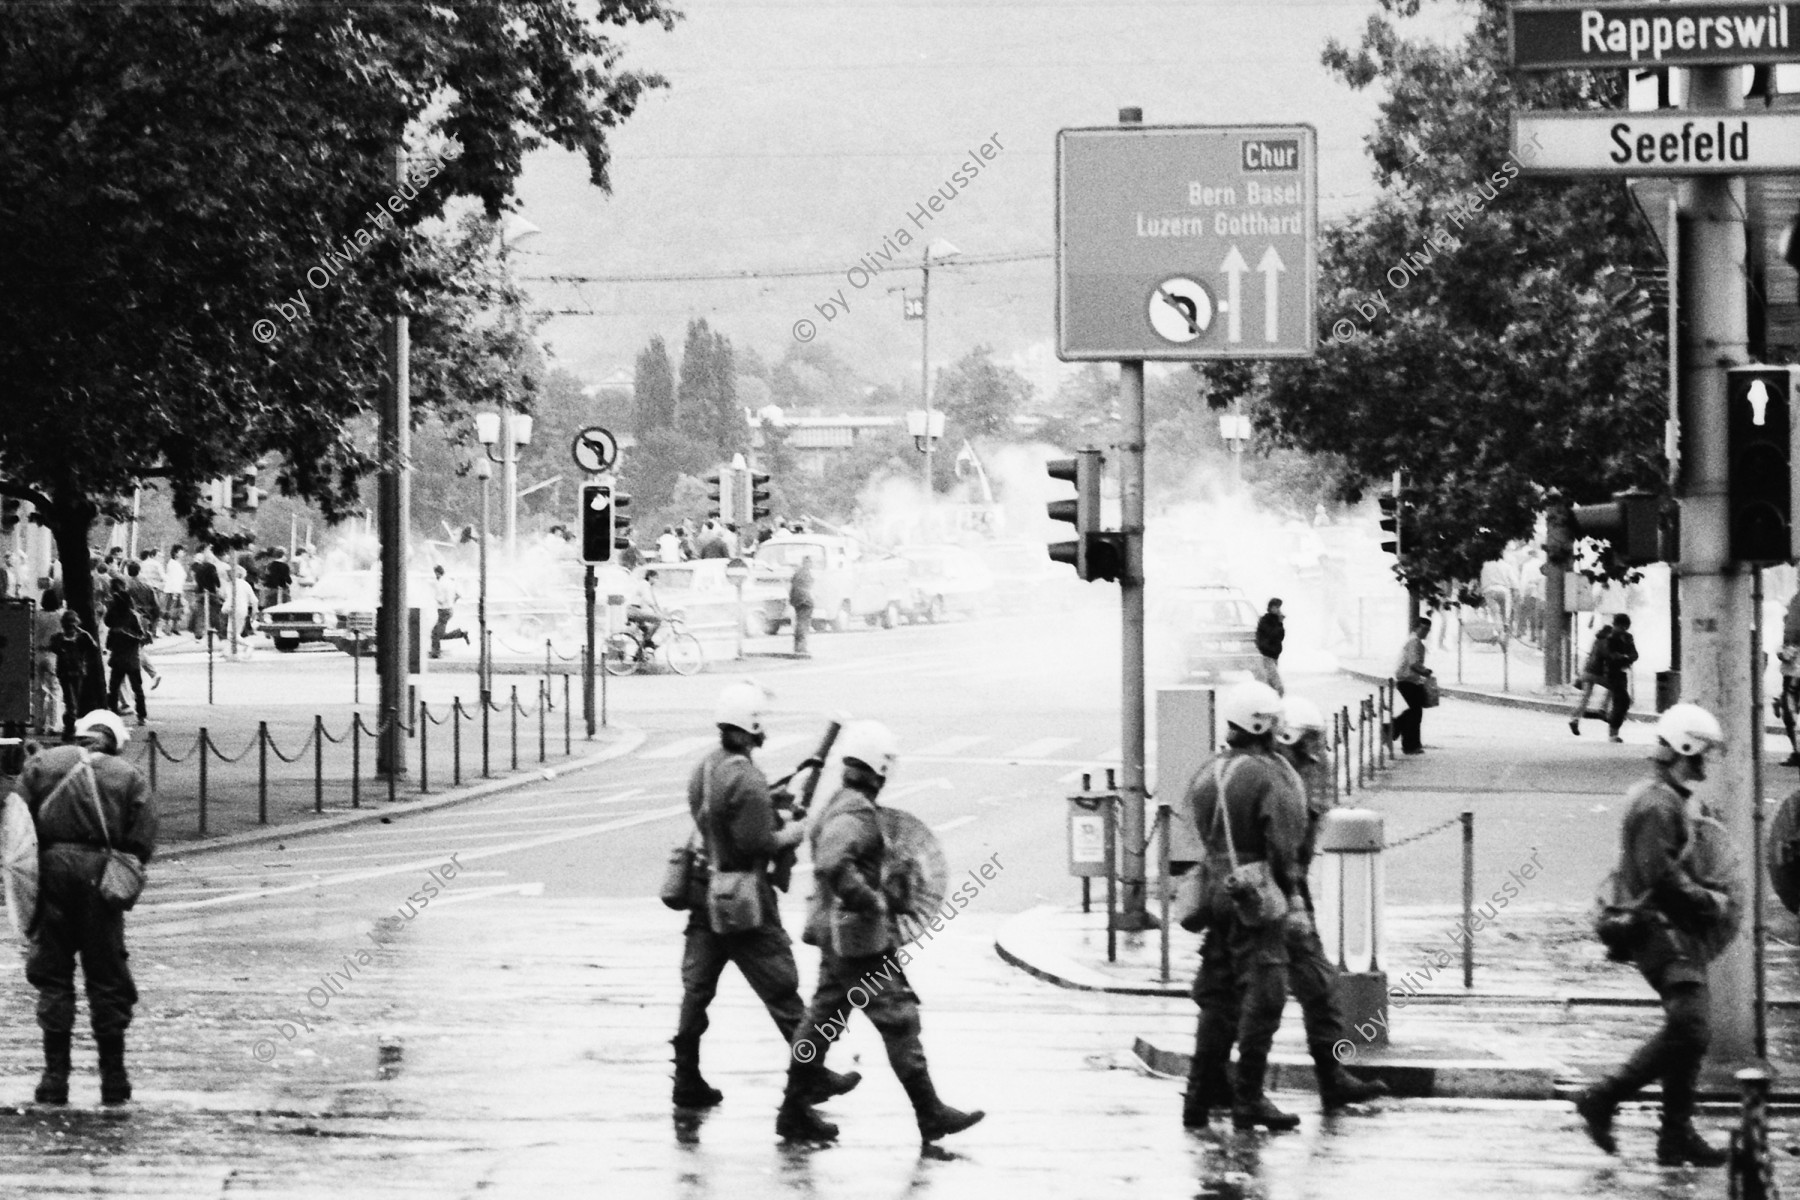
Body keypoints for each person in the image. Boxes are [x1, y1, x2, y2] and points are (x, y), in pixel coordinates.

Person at [778, 721, 985, 1145]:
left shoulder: (840, 802)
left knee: (819, 1025)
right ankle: (929, 1113)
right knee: (899, 1018)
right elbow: (834, 863)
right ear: (881, 768)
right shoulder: (856, 812)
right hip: (858, 941)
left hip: (838, 937)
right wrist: (871, 900)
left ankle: (792, 1111)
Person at [671, 682, 859, 1111]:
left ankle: (686, 1079)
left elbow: (716, 817)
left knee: (697, 991)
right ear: (751, 728)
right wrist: (791, 831)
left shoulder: (705, 768)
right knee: (783, 992)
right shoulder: (748, 778)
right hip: (744, 903)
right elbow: (759, 841)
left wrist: (766, 802)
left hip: (705, 891)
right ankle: (810, 1075)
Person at [1575, 704, 1733, 1168]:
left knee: (1691, 1031)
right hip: (1658, 931)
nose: (1705, 763)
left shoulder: (1667, 798)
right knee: (1691, 1026)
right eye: (1702, 753)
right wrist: (1711, 903)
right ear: (1686, 748)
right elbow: (1660, 877)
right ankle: (1604, 1099)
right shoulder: (1657, 804)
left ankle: (1675, 1137)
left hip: (1672, 930)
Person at [1180, 680, 1307, 1131]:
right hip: (1254, 892)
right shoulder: (1268, 773)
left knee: (1217, 996)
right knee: (1265, 994)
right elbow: (1284, 841)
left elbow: (1195, 830)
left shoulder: (1207, 771)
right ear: (1262, 724)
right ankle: (1249, 1098)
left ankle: (1197, 1100)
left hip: (1214, 889)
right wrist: (1292, 896)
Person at [21, 709, 158, 1106]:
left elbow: (16, 821)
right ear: (114, 741)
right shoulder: (127, 775)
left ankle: (54, 1078)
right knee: (107, 974)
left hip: (48, 875)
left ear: (80, 734)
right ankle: (113, 1077)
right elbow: (141, 839)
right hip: (101, 879)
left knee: (52, 973)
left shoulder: (45, 763)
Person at [1261, 696, 1389, 1112]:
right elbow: (1277, 848)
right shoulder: (1269, 776)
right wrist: (1293, 901)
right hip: (1267, 895)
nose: (1317, 750)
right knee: (1257, 998)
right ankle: (1232, 1090)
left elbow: (1308, 832)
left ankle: (1331, 1077)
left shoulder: (1301, 774)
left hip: (1290, 893)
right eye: (1310, 740)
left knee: (1317, 985)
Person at [103, 581, 149, 727]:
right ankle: (139, 714)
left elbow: (140, 636)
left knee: (117, 687)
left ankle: (116, 713)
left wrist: (122, 634)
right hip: (128, 657)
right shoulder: (128, 616)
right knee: (132, 687)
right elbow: (140, 637)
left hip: (122, 656)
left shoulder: (123, 617)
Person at [49, 611, 97, 743]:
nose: (70, 627)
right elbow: (54, 647)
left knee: (73, 702)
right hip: (65, 673)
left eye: (73, 623)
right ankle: (69, 730)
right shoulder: (59, 638)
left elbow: (93, 646)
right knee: (71, 704)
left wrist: (80, 630)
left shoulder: (81, 637)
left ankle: (69, 728)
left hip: (77, 673)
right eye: (68, 623)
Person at [1567, 618, 1616, 737]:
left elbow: (1590, 658)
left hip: (1587, 673)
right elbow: (1608, 658)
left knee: (1585, 698)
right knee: (1614, 687)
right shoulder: (1607, 642)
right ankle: (1603, 709)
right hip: (1597, 674)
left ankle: (1574, 719)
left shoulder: (1596, 641)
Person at [1392, 617, 1433, 755]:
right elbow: (1414, 663)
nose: (1426, 632)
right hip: (1408, 681)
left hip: (1410, 681)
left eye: (1428, 629)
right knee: (1414, 714)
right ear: (1416, 628)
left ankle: (1394, 731)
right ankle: (1409, 744)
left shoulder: (1414, 642)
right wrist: (1425, 672)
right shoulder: (1414, 642)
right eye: (1423, 629)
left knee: (1411, 712)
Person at [1599, 614, 1639, 743]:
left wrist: (1626, 657)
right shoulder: (1609, 637)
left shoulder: (1628, 637)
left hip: (1622, 673)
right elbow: (1609, 655)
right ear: (1615, 625)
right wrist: (1624, 657)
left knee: (1622, 702)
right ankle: (1612, 730)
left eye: (1625, 628)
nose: (1623, 630)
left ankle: (1613, 728)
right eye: (1621, 627)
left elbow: (1634, 654)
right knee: (1623, 701)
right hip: (1611, 672)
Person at [33, 588, 64, 736]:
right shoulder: (59, 616)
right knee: (54, 690)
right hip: (53, 654)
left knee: (38, 690)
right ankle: (53, 724)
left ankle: (38, 724)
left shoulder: (37, 615)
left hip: (37, 653)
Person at [428, 565, 467, 659]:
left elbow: (440, 599)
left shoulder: (440, 583)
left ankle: (435, 653)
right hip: (449, 610)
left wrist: (436, 598)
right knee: (438, 633)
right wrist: (451, 602)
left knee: (435, 633)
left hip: (443, 611)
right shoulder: (450, 581)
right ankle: (460, 634)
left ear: (437, 573)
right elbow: (459, 594)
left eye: (435, 574)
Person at [1255, 598, 1286, 696]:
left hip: (1274, 655)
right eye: (1276, 607)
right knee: (1278, 686)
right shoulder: (1266, 620)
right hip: (1267, 655)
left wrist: (1280, 623)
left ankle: (1271, 700)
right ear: (1270, 608)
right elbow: (1272, 634)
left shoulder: (1276, 621)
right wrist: (1279, 622)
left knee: (1271, 682)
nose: (1278, 609)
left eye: (1278, 607)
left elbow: (1280, 636)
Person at [789, 556, 815, 658]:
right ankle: (801, 647)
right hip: (805, 602)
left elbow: (793, 588)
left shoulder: (797, 573)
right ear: (807, 563)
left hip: (797, 601)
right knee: (803, 624)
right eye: (810, 563)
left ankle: (798, 646)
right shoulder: (806, 574)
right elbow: (807, 588)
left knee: (800, 622)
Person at [160, 546, 188, 639]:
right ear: (176, 553)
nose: (183, 553)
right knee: (171, 609)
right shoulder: (173, 564)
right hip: (173, 590)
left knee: (178, 610)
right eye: (181, 551)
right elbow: (173, 579)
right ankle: (167, 627)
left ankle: (175, 627)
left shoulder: (177, 564)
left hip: (178, 589)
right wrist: (175, 592)